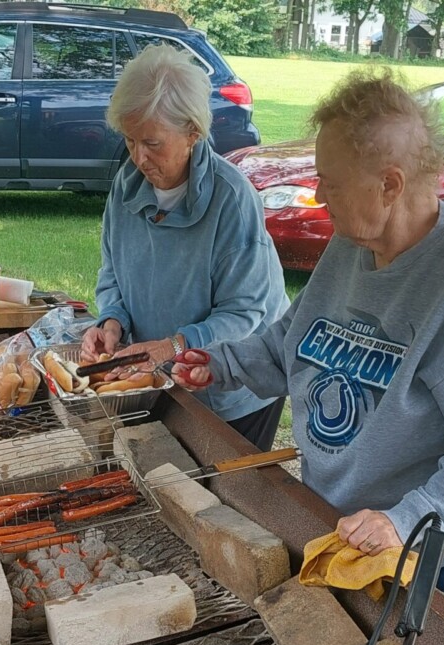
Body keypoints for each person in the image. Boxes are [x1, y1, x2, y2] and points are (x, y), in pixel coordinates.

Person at [171, 70, 444, 644]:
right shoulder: (351, 246)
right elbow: (291, 342)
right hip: (352, 524)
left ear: (390, 184)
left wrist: (405, 522)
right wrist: (220, 363)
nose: (319, 196)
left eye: (330, 182)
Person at [82, 45, 289, 451]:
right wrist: (111, 321)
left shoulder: (232, 198)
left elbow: (245, 312)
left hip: (233, 386)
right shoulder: (125, 188)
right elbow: (113, 273)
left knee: (226, 496)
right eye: (130, 140)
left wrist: (176, 345)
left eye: (153, 143)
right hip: (163, 375)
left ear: (193, 133)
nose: (139, 157)